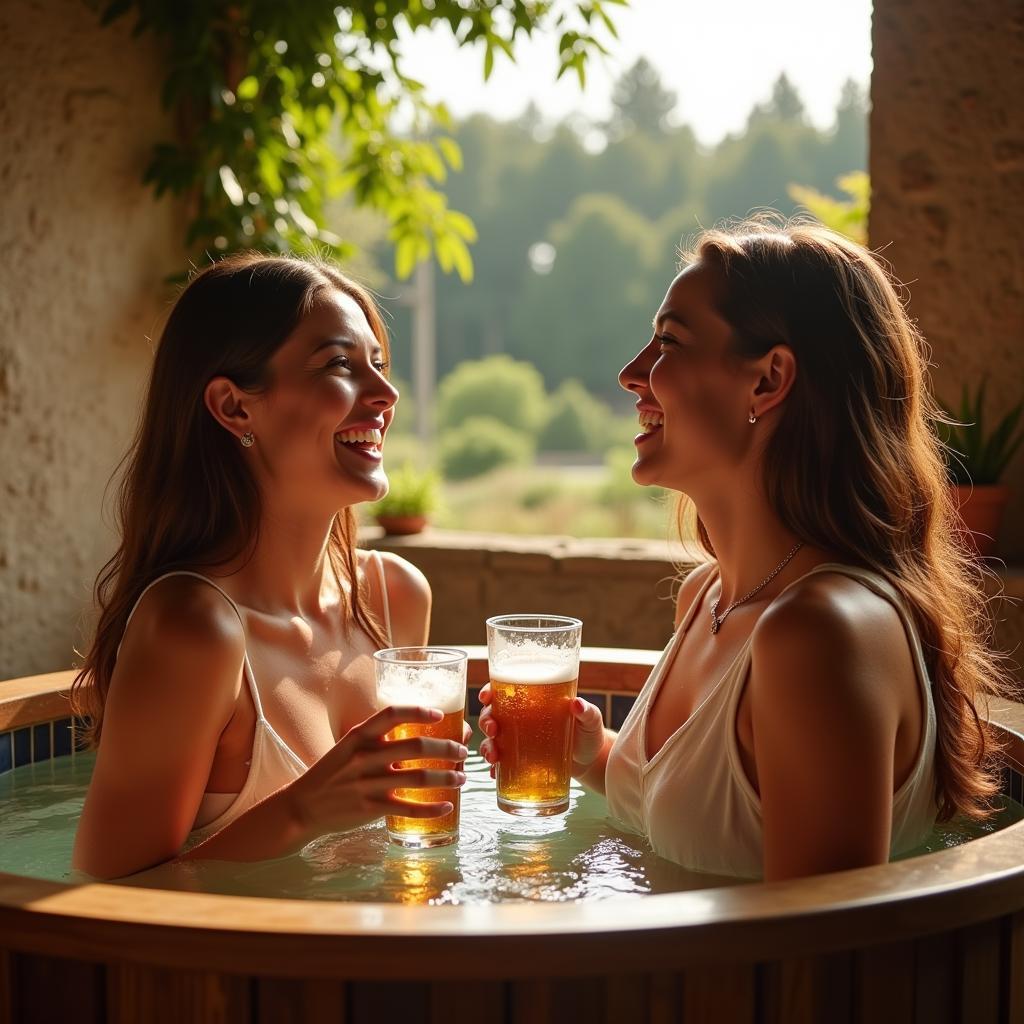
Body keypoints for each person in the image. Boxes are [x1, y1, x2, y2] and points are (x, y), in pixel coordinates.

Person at [481, 217, 1012, 882]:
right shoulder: (708, 596)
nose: (630, 374)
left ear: (768, 381)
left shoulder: (817, 633)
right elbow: (715, 819)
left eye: (668, 343)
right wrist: (592, 757)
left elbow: (815, 958)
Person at [72, 254, 468, 880]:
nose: (386, 395)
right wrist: (303, 812)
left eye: (379, 365)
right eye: (339, 364)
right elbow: (102, 902)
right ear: (234, 408)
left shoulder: (394, 595)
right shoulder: (193, 629)